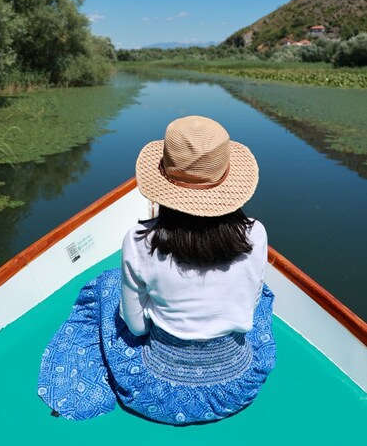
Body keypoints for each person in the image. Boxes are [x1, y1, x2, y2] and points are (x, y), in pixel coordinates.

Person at [38, 115, 275, 424]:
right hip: (236, 387)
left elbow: (136, 328)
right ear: (228, 181)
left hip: (157, 392)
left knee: (108, 286)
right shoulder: (256, 234)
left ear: (164, 184)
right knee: (265, 294)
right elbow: (253, 303)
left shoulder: (138, 243)